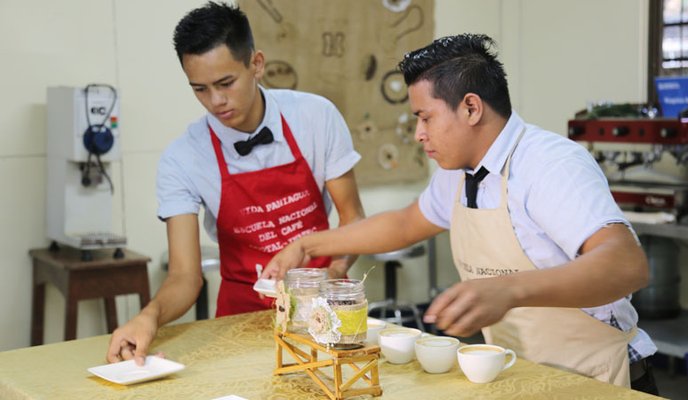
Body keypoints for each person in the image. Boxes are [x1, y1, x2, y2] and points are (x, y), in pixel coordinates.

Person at [264, 33, 659, 394]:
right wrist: (307, 244)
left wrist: (510, 290)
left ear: (471, 107)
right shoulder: (458, 173)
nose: (419, 134)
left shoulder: (549, 165)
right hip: (522, 377)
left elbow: (626, 265)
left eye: (425, 117)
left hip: (597, 381)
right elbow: (403, 224)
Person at [106, 2, 364, 365]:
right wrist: (148, 316)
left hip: (321, 315)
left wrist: (331, 275)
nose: (216, 101)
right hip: (240, 320)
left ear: (256, 64)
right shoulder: (184, 158)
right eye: (200, 89)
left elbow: (354, 220)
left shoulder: (315, 117)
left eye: (226, 83)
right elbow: (185, 276)